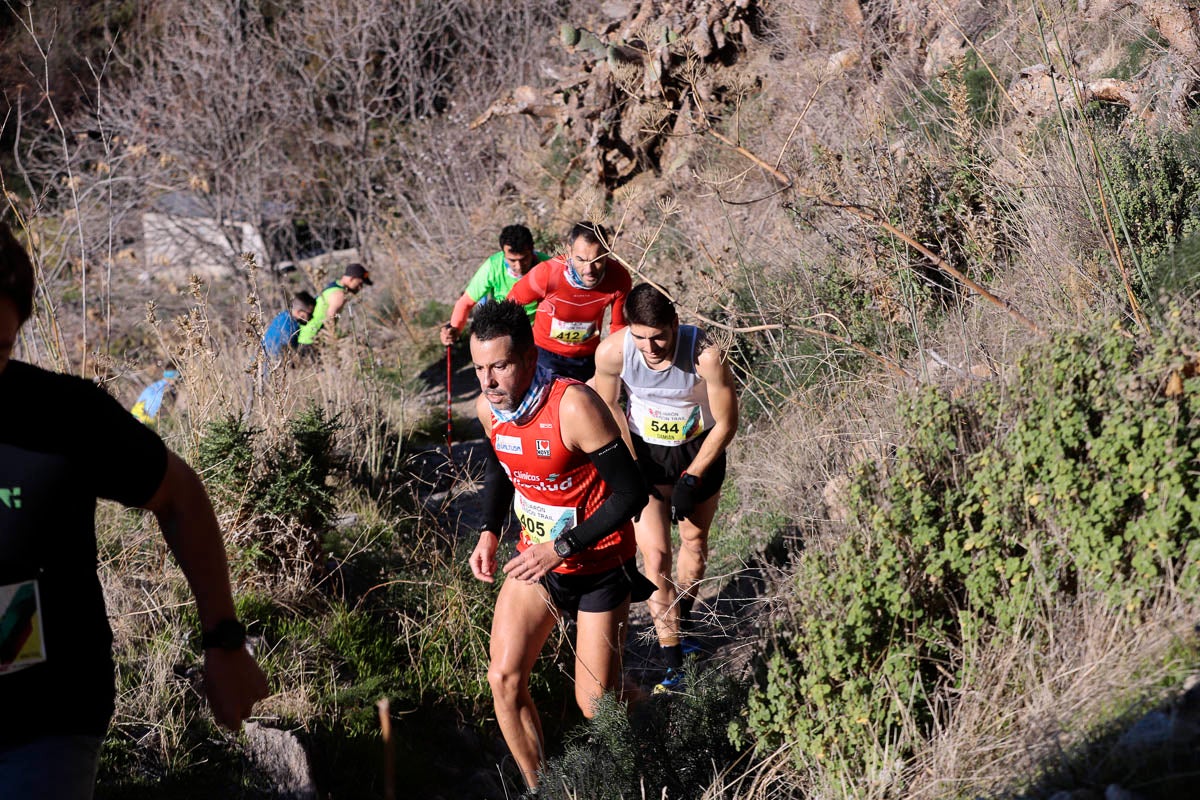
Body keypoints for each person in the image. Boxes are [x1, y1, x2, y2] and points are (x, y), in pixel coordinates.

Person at [0, 222, 268, 799]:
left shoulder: (65, 414)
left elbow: (180, 496)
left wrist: (223, 640)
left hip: (44, 725)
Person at [466, 299, 652, 794]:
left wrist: (563, 546)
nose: (488, 381)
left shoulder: (573, 404)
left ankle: (643, 743)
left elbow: (631, 492)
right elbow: (501, 467)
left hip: (599, 563)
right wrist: (488, 530)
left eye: (500, 367)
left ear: (528, 359)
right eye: (479, 368)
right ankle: (543, 789)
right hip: (540, 564)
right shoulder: (489, 408)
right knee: (504, 679)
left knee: (596, 705)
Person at [592, 283, 739, 691]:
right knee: (655, 557)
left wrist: (693, 475)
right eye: (640, 337)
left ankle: (684, 614)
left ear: (674, 325)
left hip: (699, 450)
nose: (650, 346)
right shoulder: (613, 352)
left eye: (658, 336)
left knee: (694, 544)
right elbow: (607, 410)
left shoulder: (705, 354)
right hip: (647, 456)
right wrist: (631, 465)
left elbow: (727, 422)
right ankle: (674, 660)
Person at [505, 221, 631, 382]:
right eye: (581, 260)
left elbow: (618, 327)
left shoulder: (619, 278)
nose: (589, 270)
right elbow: (509, 305)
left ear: (607, 251)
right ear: (569, 251)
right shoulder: (547, 273)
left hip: (588, 357)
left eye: (597, 260)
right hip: (545, 354)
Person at [439, 224, 549, 346]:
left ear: (532, 250)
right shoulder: (493, 266)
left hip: (540, 332)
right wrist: (454, 329)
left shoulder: (549, 266)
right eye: (512, 260)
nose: (518, 266)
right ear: (503, 253)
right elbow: (465, 302)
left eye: (524, 259)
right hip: (505, 333)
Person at [296, 262, 373, 347]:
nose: (360, 288)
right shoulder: (340, 294)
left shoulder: (334, 285)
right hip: (312, 341)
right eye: (360, 283)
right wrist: (336, 342)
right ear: (352, 278)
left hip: (306, 338)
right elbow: (330, 320)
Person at [261, 291, 316, 362]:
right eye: (310, 314)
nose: (312, 317)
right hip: (267, 368)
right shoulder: (289, 327)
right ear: (299, 313)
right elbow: (285, 353)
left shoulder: (283, 316)